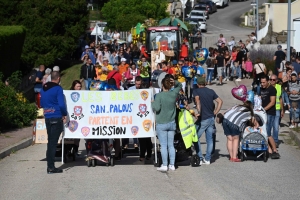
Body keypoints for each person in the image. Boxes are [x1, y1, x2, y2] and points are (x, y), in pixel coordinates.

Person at [151, 77, 182, 171]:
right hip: (171, 123)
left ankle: (165, 164)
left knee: (163, 145)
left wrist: (152, 103)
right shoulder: (173, 94)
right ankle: (172, 164)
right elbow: (179, 85)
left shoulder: (159, 96)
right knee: (171, 145)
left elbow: (156, 108)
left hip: (161, 123)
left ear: (162, 85)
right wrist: (174, 82)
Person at [40, 71, 67, 174]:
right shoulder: (58, 88)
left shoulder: (43, 88)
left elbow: (42, 103)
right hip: (56, 116)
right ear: (58, 78)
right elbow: (61, 104)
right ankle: (51, 167)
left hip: (47, 116)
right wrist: (64, 114)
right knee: (53, 143)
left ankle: (50, 165)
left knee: (50, 141)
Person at [193, 76, 222, 165]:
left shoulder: (196, 91)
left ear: (198, 84)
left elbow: (197, 101)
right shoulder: (211, 91)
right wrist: (215, 112)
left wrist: (199, 112)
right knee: (209, 139)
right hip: (211, 118)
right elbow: (220, 101)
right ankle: (208, 159)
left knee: (195, 137)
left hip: (204, 118)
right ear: (205, 83)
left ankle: (200, 157)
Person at [260, 75, 280, 147]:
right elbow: (260, 99)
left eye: (264, 82)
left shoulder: (272, 89)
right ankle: (267, 147)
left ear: (268, 81)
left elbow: (272, 102)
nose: (262, 84)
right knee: (263, 130)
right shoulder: (261, 88)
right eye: (261, 82)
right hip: (262, 113)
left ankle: (274, 148)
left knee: (267, 131)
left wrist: (263, 109)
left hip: (270, 113)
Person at [269, 75, 284, 146]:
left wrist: (282, 109)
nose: (272, 81)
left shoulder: (279, 87)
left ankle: (275, 141)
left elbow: (280, 99)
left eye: (273, 80)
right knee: (268, 126)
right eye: (271, 79)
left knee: (276, 126)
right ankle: (269, 140)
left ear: (276, 80)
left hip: (277, 109)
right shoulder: (267, 87)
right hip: (269, 109)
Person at [70, 80, 82, 155]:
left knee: (78, 135)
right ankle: (70, 148)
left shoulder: (82, 94)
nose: (79, 88)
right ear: (74, 87)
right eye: (77, 86)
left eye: (80, 86)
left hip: (79, 116)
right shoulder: (70, 94)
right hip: (72, 116)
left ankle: (75, 149)